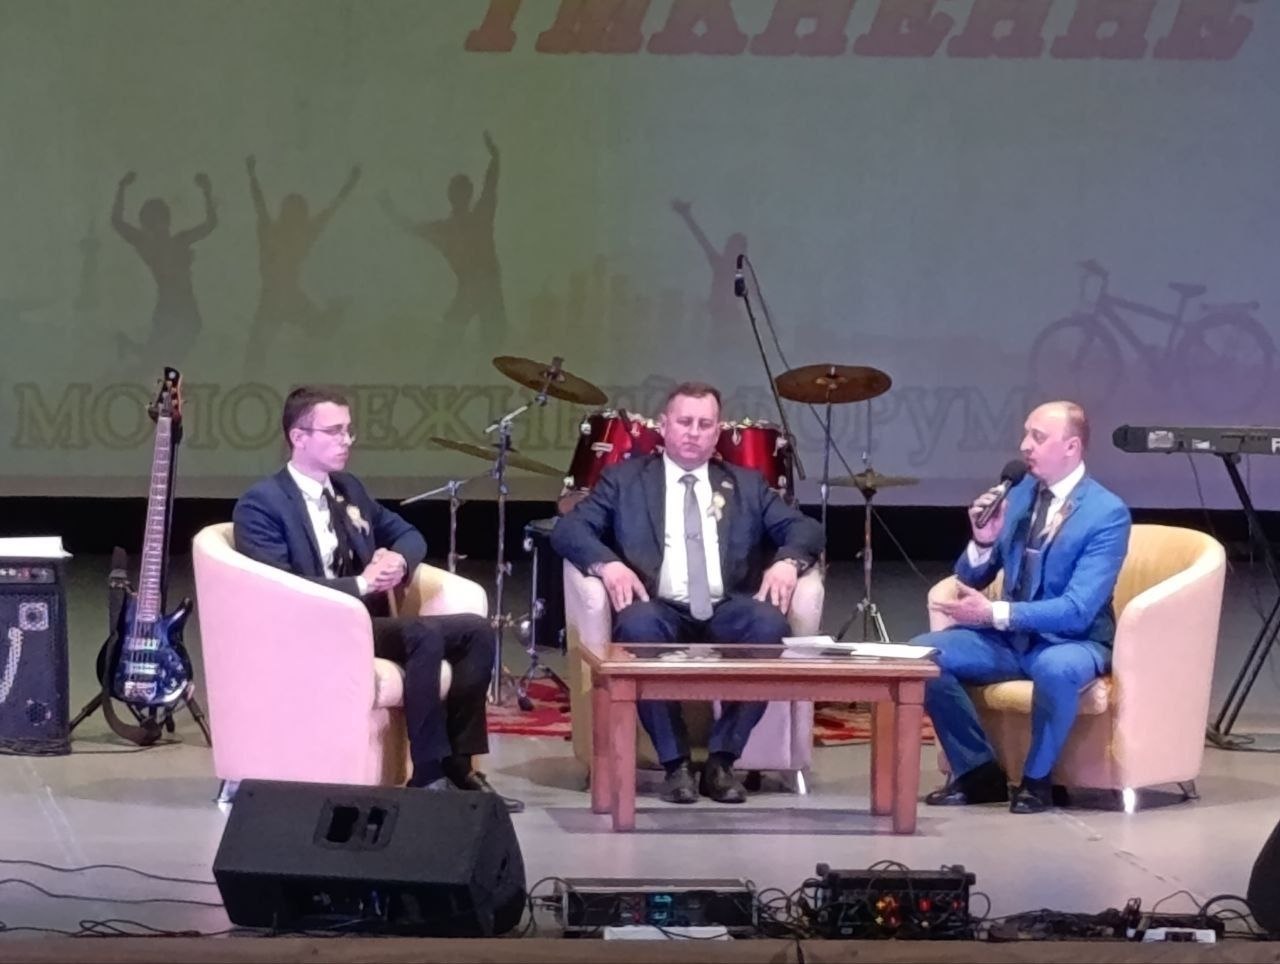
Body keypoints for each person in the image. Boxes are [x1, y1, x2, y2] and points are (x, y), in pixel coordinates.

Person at [233, 386, 521, 811]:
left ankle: (460, 765)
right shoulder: (262, 503)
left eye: (348, 430)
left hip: (363, 624)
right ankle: (427, 774)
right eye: (334, 431)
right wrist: (364, 584)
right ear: (299, 437)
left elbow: (408, 534)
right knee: (422, 633)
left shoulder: (348, 489)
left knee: (476, 631)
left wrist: (398, 562)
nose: (346, 441)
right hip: (311, 626)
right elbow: (282, 586)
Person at [551, 382, 824, 805]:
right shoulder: (625, 480)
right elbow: (569, 529)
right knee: (637, 626)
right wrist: (608, 565)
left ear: (717, 433)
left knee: (768, 625)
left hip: (727, 605)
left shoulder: (746, 484)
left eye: (704, 424)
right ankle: (675, 763)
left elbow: (806, 529)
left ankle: (722, 761)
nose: (694, 432)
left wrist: (788, 561)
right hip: (658, 606)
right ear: (664, 426)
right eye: (685, 422)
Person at [914, 401, 1130, 814]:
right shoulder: (1020, 495)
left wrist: (995, 614)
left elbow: (1078, 609)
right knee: (922, 656)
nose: (1024, 446)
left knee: (1056, 668)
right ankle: (979, 773)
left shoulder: (1106, 513)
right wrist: (982, 540)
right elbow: (972, 577)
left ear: (1071, 447)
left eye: (1038, 437)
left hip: (1072, 640)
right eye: (1026, 434)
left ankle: (1037, 781)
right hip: (1011, 640)